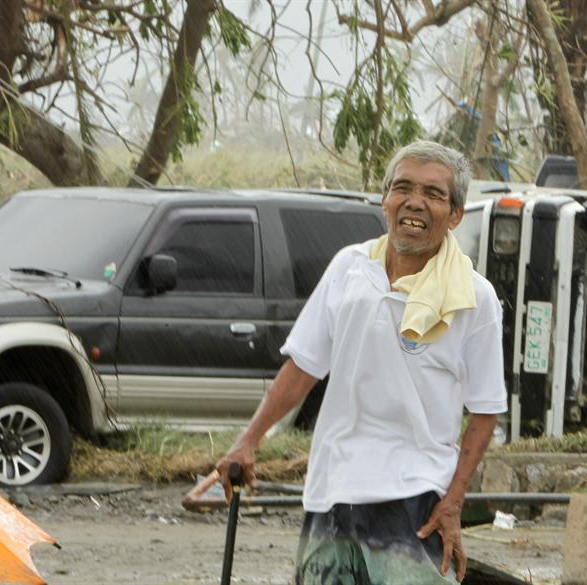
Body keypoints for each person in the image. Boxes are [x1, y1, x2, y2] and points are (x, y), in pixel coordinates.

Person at [217, 140, 507, 584]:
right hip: (332, 487)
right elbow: (303, 367)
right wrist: (248, 440)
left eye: (433, 194)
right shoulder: (349, 269)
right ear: (385, 199)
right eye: (403, 187)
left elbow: (486, 409)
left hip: (415, 497)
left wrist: (454, 501)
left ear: (455, 215)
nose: (415, 202)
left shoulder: (475, 298)